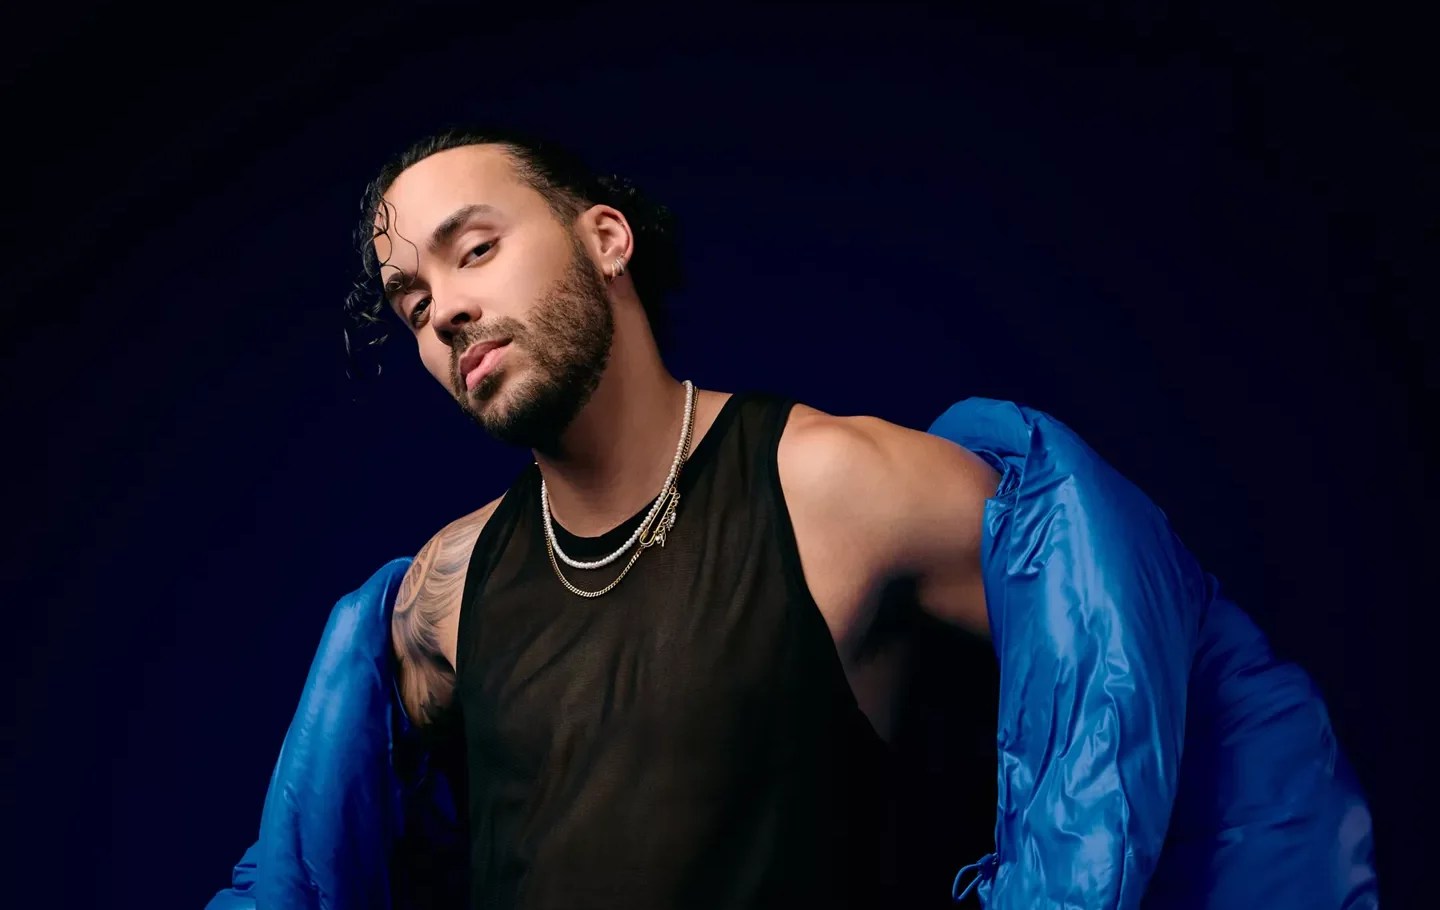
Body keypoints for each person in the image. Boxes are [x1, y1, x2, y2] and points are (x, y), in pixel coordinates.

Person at [207, 128, 1378, 909]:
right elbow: (320, 855)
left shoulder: (831, 487)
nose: (449, 310)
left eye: (477, 250)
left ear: (602, 239)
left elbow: (1137, 658)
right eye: (415, 303)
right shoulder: (439, 600)